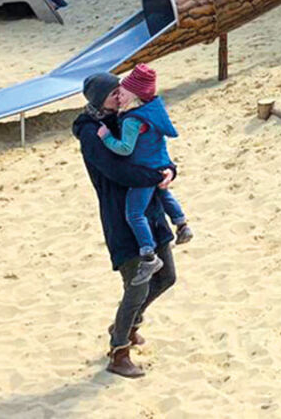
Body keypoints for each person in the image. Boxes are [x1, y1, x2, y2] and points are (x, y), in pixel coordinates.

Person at [74, 72, 180, 379]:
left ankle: (127, 323)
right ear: (98, 100)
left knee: (167, 277)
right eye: (112, 95)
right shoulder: (91, 133)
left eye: (120, 92)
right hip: (122, 217)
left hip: (151, 209)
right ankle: (119, 351)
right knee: (136, 285)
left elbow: (153, 149)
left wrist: (169, 170)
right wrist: (155, 177)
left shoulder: (128, 117)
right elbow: (118, 171)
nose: (119, 97)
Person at [97, 64, 193, 286]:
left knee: (134, 214)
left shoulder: (132, 120)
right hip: (159, 166)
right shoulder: (153, 109)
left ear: (134, 95)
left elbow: (125, 149)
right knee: (164, 195)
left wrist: (105, 137)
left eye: (122, 93)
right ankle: (182, 224)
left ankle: (149, 256)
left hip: (144, 173)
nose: (119, 96)